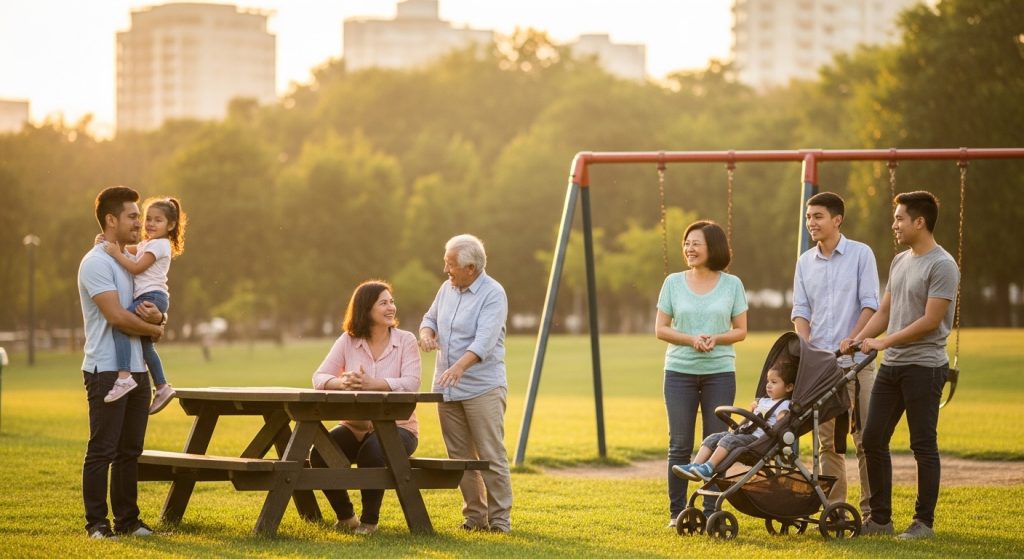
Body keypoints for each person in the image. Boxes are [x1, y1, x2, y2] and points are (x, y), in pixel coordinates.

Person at [843, 190, 959, 541]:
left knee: (922, 444)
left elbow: (930, 321)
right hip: (892, 367)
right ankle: (880, 519)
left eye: (899, 218)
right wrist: (858, 337)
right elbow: (884, 312)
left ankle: (923, 523)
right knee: (872, 438)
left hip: (925, 366)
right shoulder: (899, 261)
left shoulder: (943, 265)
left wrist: (884, 342)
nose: (894, 224)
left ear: (919, 222)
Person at [78, 186, 165, 539]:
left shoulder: (132, 259)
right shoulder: (95, 263)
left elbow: (150, 305)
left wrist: (159, 318)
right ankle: (97, 524)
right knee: (103, 449)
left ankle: (128, 521)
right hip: (106, 370)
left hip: (137, 370)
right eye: (132, 216)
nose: (139, 223)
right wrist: (155, 330)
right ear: (111, 220)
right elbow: (115, 316)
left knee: (130, 451)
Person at [791, 191, 879, 517]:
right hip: (822, 368)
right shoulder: (804, 262)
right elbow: (800, 310)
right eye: (808, 217)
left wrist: (854, 339)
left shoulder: (861, 254)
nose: (811, 222)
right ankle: (836, 511)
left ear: (837, 219)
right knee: (827, 443)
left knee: (866, 439)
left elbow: (871, 305)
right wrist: (805, 347)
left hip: (857, 362)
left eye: (818, 216)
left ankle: (873, 513)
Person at [655, 220, 748, 527]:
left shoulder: (732, 284)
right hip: (678, 372)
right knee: (679, 444)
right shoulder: (673, 282)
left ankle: (710, 511)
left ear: (713, 248)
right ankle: (677, 512)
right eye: (687, 243)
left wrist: (715, 338)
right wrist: (691, 339)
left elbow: (741, 330)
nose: (689, 249)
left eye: (696, 243)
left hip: (719, 373)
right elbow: (661, 329)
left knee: (717, 443)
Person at [310, 280, 421, 535]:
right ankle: (346, 517)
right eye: (383, 303)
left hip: (399, 428)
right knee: (320, 454)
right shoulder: (348, 341)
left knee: (372, 452)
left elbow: (411, 383)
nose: (391, 307)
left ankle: (370, 521)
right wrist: (342, 382)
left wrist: (374, 384)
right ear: (366, 308)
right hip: (355, 426)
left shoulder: (405, 340)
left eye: (391, 302)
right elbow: (319, 377)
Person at [419, 234, 513, 533]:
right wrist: (426, 335)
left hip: (482, 388)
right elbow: (429, 319)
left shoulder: (493, 293)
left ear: (470, 268)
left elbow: (484, 341)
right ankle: (475, 518)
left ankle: (500, 521)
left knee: (490, 454)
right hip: (447, 388)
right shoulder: (446, 289)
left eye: (450, 264)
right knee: (460, 457)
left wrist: (459, 367)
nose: (445, 269)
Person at [101, 197, 187, 414]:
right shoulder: (147, 244)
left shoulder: (160, 245)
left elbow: (136, 267)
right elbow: (128, 250)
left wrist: (115, 253)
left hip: (151, 297)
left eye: (158, 220)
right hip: (152, 298)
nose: (150, 224)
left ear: (170, 225)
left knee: (121, 326)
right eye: (148, 219)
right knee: (146, 346)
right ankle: (162, 386)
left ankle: (124, 377)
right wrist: (108, 243)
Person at [673, 355, 796, 482]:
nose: (768, 385)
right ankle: (695, 466)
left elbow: (783, 420)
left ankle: (709, 467)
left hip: (758, 440)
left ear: (788, 387)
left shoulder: (784, 404)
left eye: (774, 382)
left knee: (729, 440)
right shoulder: (764, 400)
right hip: (744, 433)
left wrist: (783, 416)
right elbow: (750, 418)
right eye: (768, 381)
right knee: (713, 438)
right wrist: (753, 409)